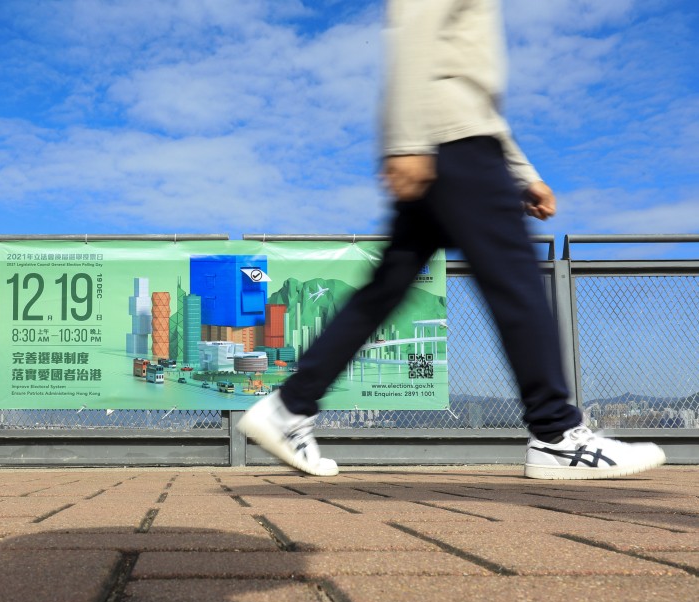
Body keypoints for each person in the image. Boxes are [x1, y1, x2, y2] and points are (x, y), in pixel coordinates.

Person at [237, 0, 666, 480]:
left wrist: (525, 174)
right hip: (453, 146)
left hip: (455, 140)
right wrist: (406, 143)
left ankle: (289, 407)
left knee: (386, 289)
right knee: (516, 282)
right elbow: (413, 32)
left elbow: (475, 96)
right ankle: (555, 434)